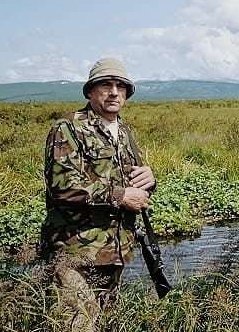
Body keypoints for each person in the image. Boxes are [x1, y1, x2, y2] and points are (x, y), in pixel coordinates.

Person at [40, 58, 156, 331]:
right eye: (106, 85)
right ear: (90, 91)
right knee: (76, 324)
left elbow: (131, 181)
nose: (114, 92)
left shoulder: (125, 132)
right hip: (74, 252)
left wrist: (149, 182)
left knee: (104, 322)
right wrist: (120, 195)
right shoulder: (68, 128)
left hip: (114, 251)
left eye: (121, 86)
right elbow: (63, 186)